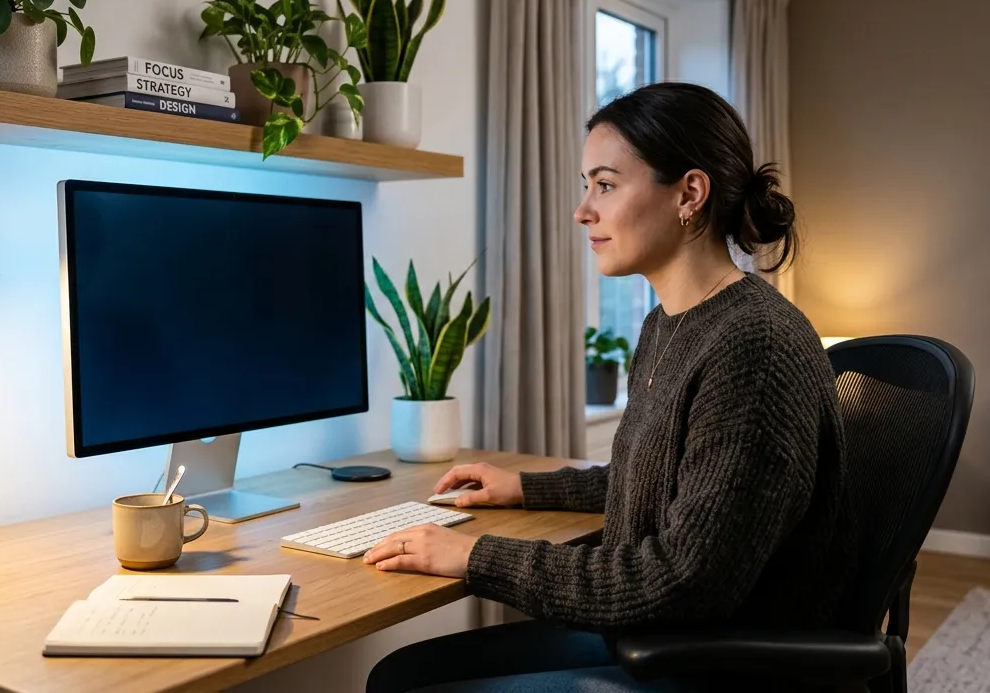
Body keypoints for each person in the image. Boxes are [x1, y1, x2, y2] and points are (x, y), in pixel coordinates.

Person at [362, 82, 858, 693]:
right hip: (661, 642)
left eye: (605, 184)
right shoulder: (667, 324)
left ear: (689, 194)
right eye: (585, 185)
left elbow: (684, 579)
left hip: (718, 665)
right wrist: (523, 487)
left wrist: (474, 557)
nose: (582, 211)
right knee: (400, 674)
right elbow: (666, 478)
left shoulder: (753, 344)